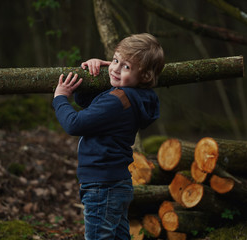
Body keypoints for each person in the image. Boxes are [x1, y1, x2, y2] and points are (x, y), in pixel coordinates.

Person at [52, 33, 164, 240]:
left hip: (101, 186)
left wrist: (60, 98)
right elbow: (93, 107)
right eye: (115, 60)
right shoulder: (134, 96)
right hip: (117, 183)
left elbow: (74, 124)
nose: (115, 68)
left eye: (126, 66)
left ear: (146, 76)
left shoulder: (117, 101)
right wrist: (98, 71)